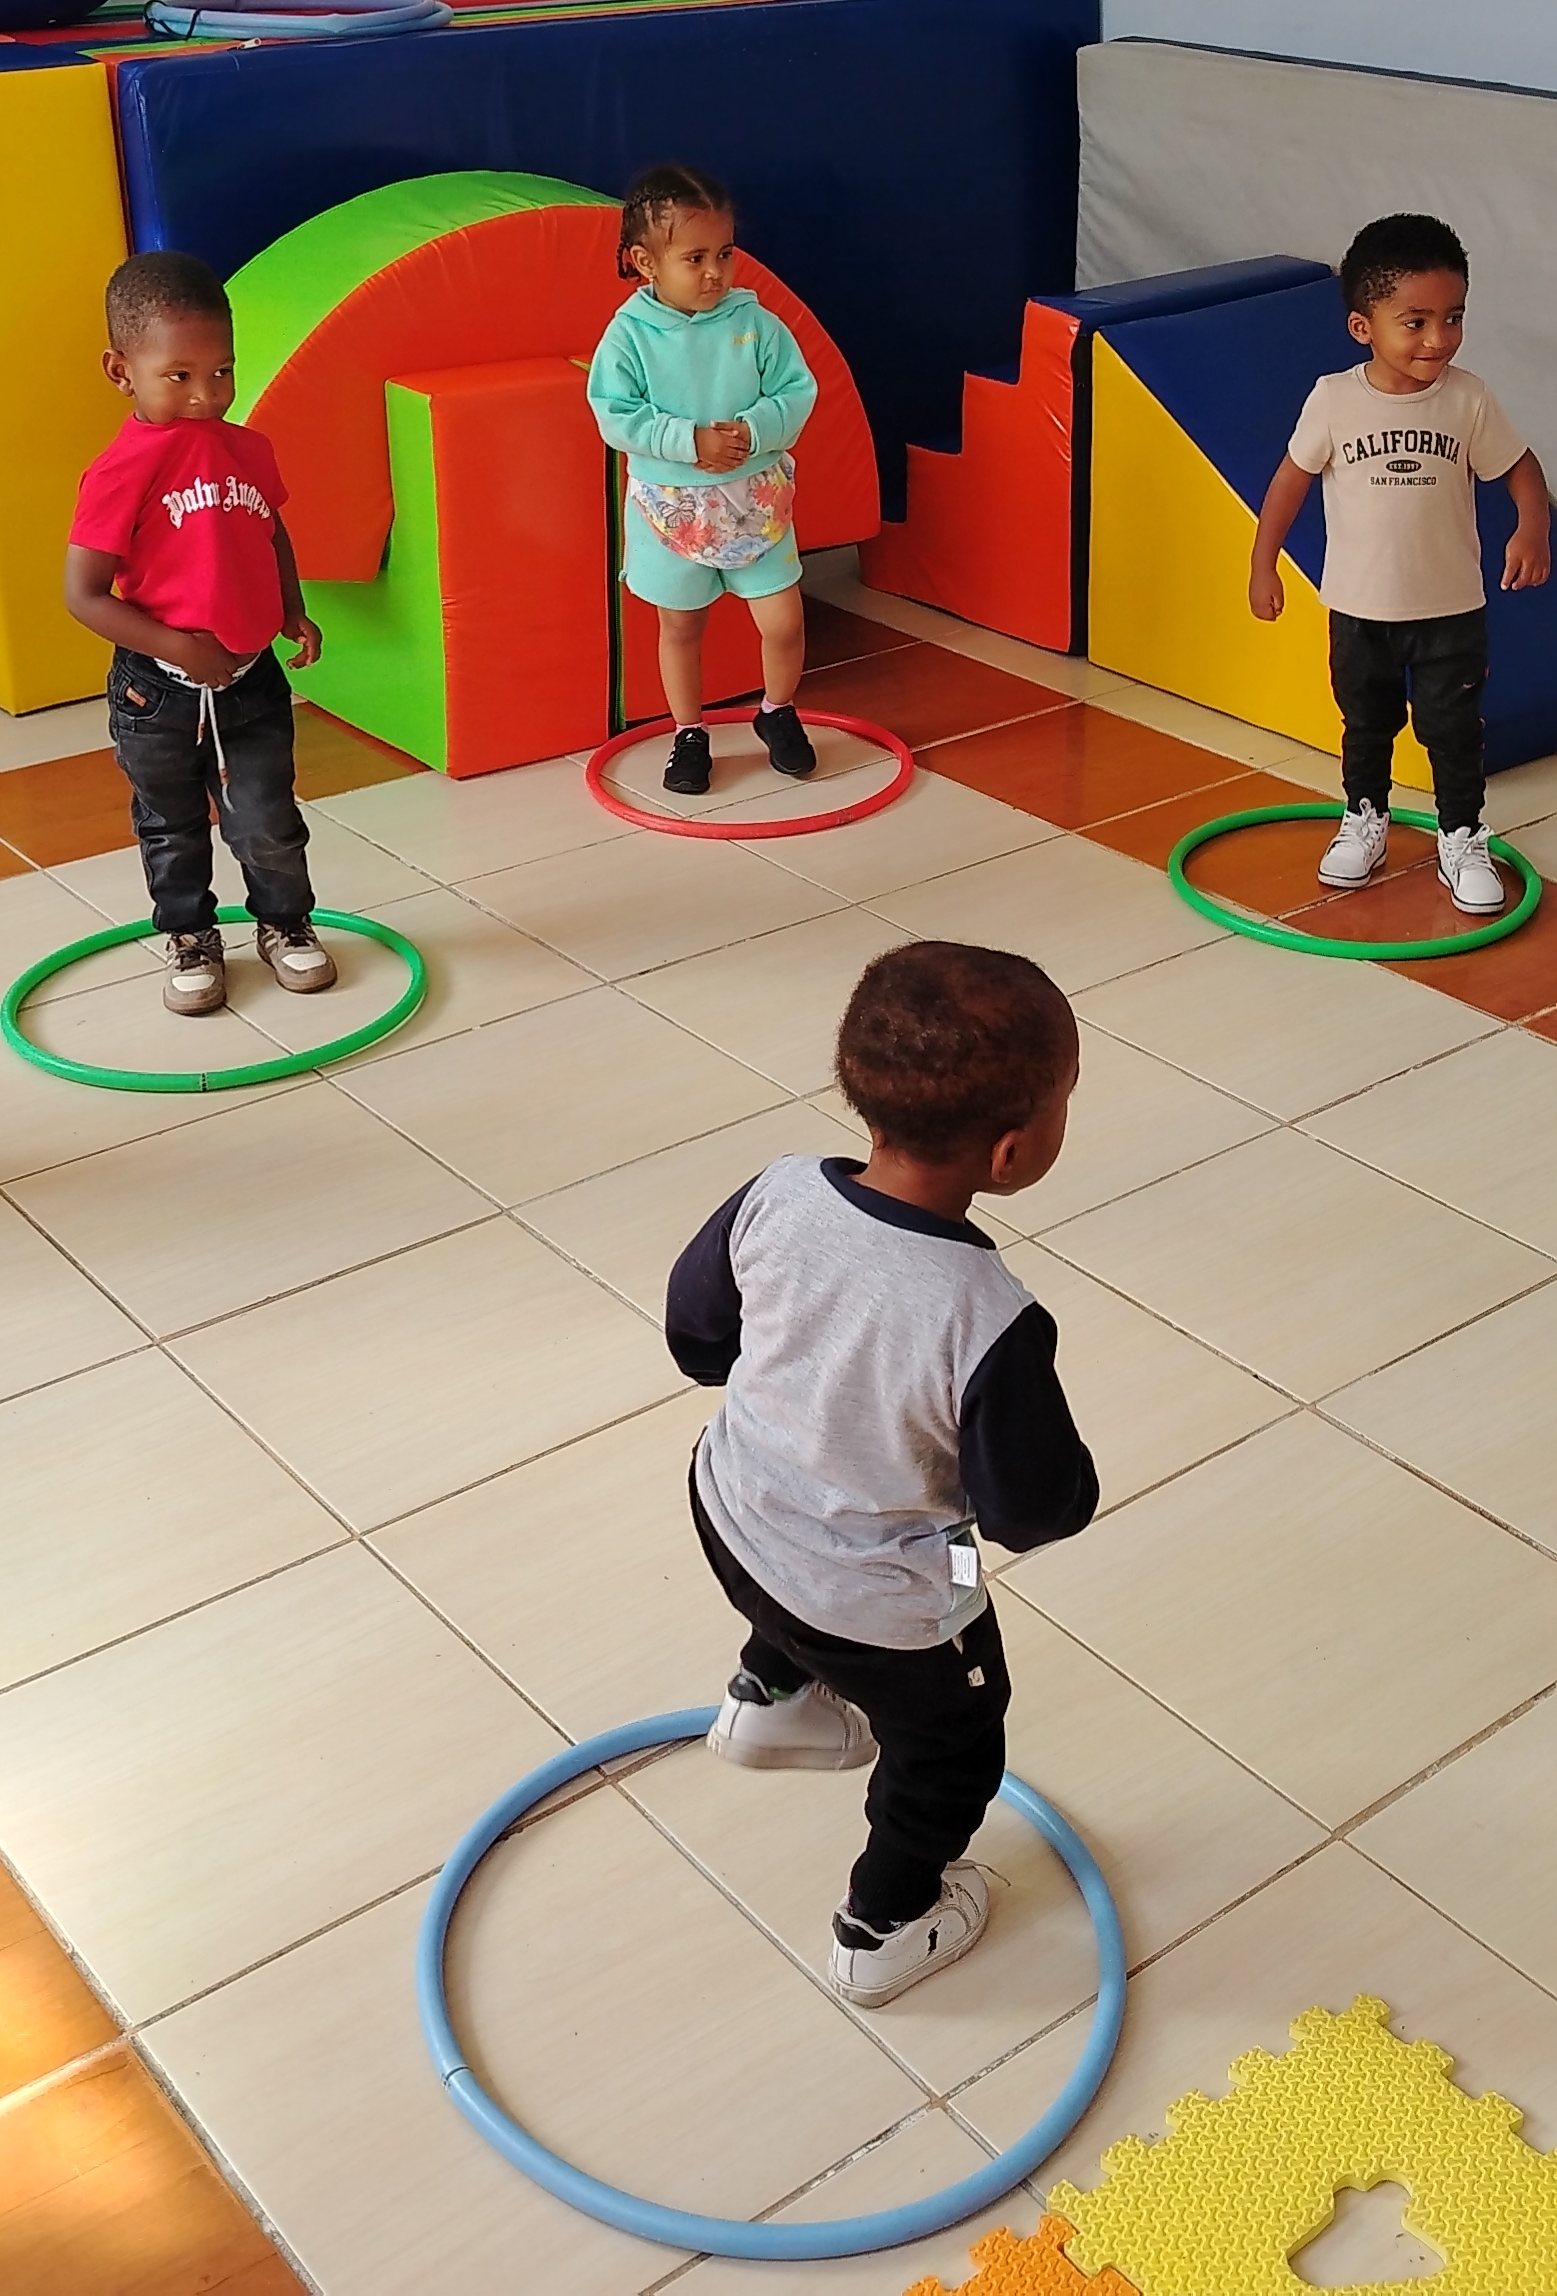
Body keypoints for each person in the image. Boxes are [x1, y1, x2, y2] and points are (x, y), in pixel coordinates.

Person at [665, 941, 1099, 2007]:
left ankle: (770, 1700)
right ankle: (884, 1924)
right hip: (889, 1603)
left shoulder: (777, 1192)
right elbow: (1029, 1512)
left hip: (730, 1506)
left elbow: (696, 1337)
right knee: (956, 1736)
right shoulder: (988, 1316)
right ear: (1011, 1152)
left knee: (801, 1571)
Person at [1244, 212, 1557, 913]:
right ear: (1364, 326)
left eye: (1454, 317)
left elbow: (1520, 466)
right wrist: (1264, 564)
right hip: (1360, 609)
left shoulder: (1468, 398)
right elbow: (1289, 481)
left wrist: (1532, 528)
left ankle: (1462, 835)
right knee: (1366, 723)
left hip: (1451, 609)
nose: (1438, 338)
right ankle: (1365, 818)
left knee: (1452, 730)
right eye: (1415, 322)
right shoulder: (1334, 399)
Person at [63, 252, 331, 1014]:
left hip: (250, 679)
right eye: (178, 376)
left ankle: (285, 922)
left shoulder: (248, 448)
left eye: (221, 372)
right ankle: (189, 935)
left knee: (267, 818)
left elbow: (269, 528)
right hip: (158, 694)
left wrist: (291, 607)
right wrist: (179, 648)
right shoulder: (119, 471)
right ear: (121, 372)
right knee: (172, 823)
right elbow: (82, 595)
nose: (205, 395)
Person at [588, 162, 820, 796]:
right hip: (672, 510)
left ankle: (777, 711)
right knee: (681, 626)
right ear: (646, 262)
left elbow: (797, 390)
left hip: (754, 502)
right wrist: (688, 441)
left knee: (783, 620)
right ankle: (689, 732)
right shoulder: (629, 335)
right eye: (695, 258)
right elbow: (615, 413)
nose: (715, 271)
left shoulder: (755, 323)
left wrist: (755, 429)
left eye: (724, 253)